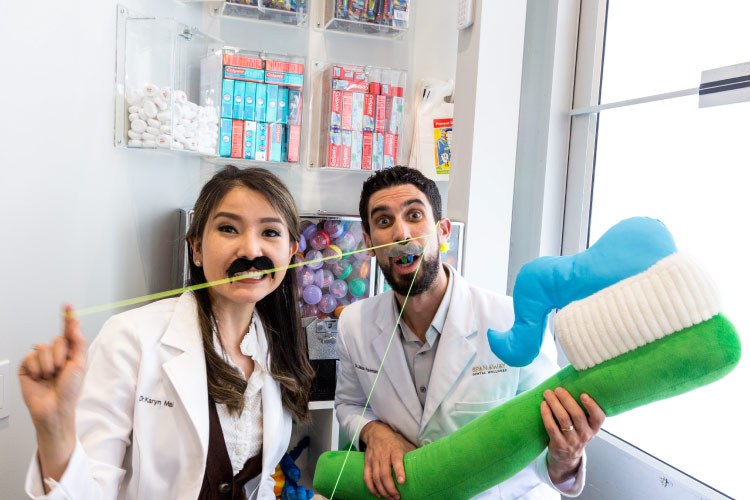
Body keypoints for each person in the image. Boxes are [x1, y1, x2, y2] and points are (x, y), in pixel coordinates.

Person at [19, 166, 315, 500]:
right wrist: (53, 429)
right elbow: (91, 488)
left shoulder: (278, 348)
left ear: (291, 252)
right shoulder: (130, 338)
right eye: (229, 228)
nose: (250, 251)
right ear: (197, 248)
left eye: (270, 233)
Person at [334, 166, 606, 500]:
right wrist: (374, 432)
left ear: (443, 231)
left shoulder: (513, 319)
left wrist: (566, 458)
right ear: (368, 243)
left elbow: (546, 442)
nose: (401, 233)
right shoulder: (353, 324)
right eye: (384, 221)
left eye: (414, 215)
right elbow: (349, 404)